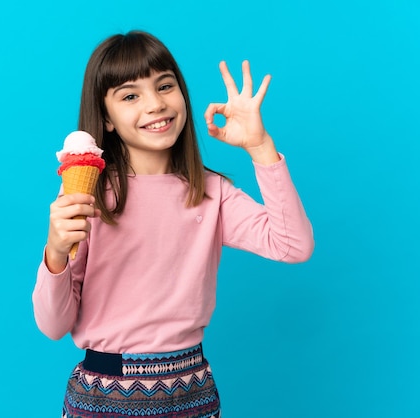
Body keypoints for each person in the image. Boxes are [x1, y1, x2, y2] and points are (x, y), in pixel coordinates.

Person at [32, 30, 314, 418]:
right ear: (107, 118)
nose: (155, 104)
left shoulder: (212, 193)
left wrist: (260, 147)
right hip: (102, 400)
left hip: (191, 394)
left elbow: (293, 245)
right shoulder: (91, 199)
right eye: (130, 95)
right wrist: (56, 253)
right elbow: (53, 325)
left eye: (165, 86)